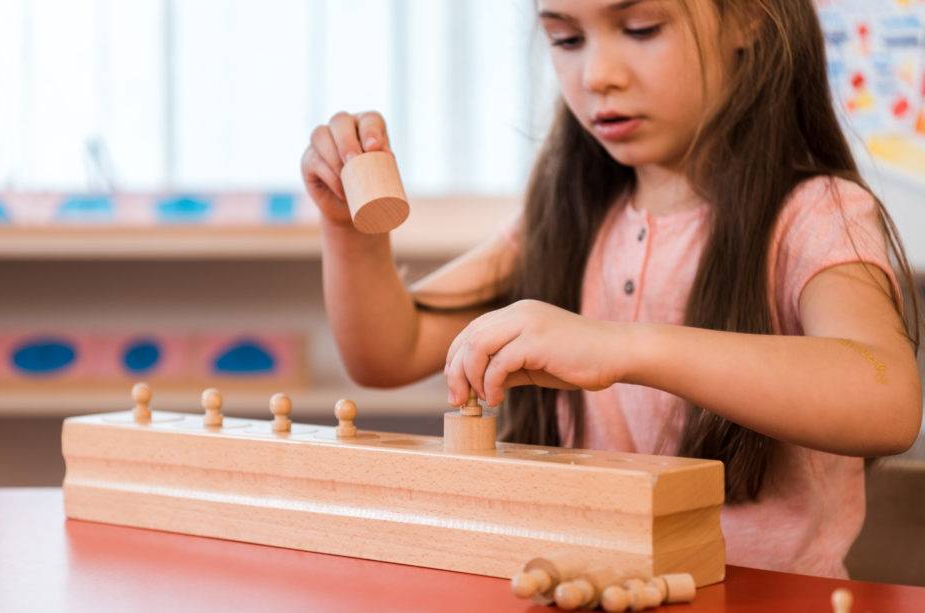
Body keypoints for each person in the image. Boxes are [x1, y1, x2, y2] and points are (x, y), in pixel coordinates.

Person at [299, 0, 922, 578]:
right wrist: (347, 228)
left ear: (747, 19)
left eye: (642, 28)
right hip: (582, 588)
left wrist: (623, 348)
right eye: (566, 38)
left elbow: (888, 400)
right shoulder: (563, 219)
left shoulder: (815, 215)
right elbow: (389, 351)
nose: (597, 74)